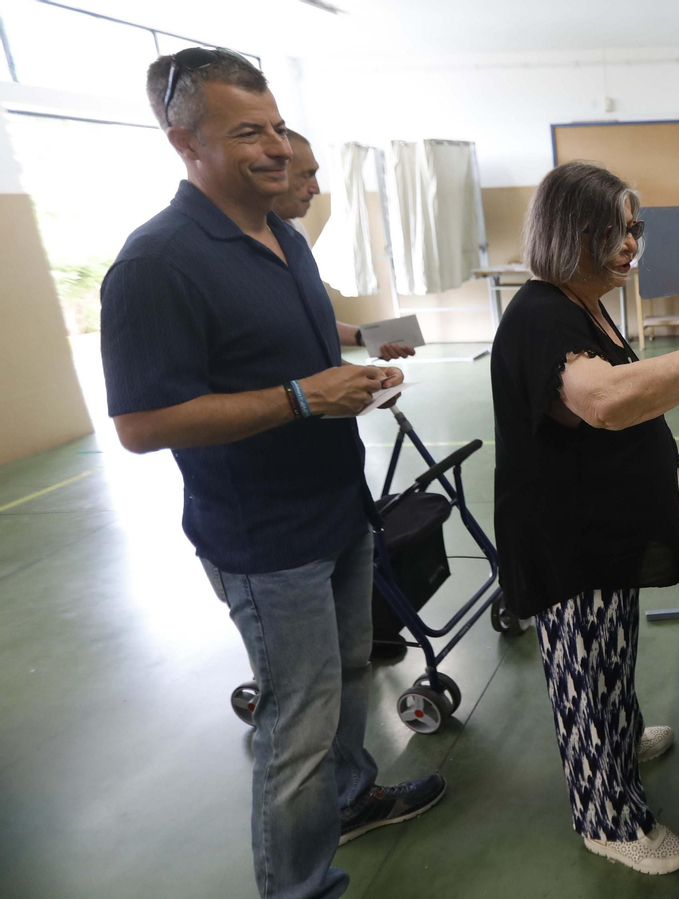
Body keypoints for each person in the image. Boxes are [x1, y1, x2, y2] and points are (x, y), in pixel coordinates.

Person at [100, 48, 445, 899]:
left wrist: (355, 363)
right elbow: (142, 424)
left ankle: (352, 798)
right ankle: (296, 885)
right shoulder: (156, 263)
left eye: (278, 128)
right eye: (247, 132)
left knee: (353, 671)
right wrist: (302, 396)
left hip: (338, 506)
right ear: (185, 142)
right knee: (298, 718)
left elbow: (291, 345)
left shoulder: (280, 234)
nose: (278, 149)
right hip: (264, 536)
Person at [491, 161, 679, 875]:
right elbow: (605, 401)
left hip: (603, 527)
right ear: (568, 233)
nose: (631, 243)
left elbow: (638, 391)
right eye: (613, 230)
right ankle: (606, 817)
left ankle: (621, 738)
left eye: (634, 228)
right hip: (566, 538)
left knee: (613, 655)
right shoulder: (541, 314)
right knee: (584, 672)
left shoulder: (586, 304)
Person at [271, 129, 414, 362]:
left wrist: (365, 339)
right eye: (305, 175)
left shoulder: (294, 231)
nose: (316, 189)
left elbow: (311, 320)